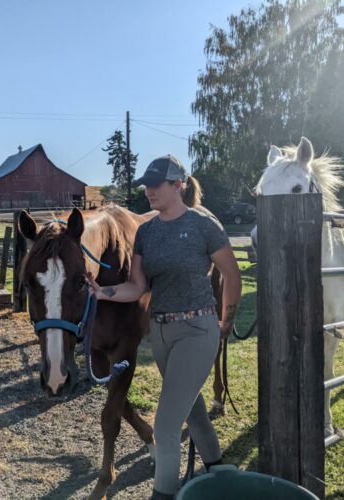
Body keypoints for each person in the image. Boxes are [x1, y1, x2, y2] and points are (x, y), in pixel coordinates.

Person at [87, 155, 242, 499]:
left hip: (198, 329)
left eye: (156, 184)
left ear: (178, 186)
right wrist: (103, 291)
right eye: (146, 184)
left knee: (166, 425)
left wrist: (224, 324)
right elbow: (137, 286)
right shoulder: (147, 232)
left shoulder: (204, 226)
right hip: (160, 333)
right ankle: (217, 468)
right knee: (192, 407)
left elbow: (232, 275)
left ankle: (163, 495)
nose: (148, 191)